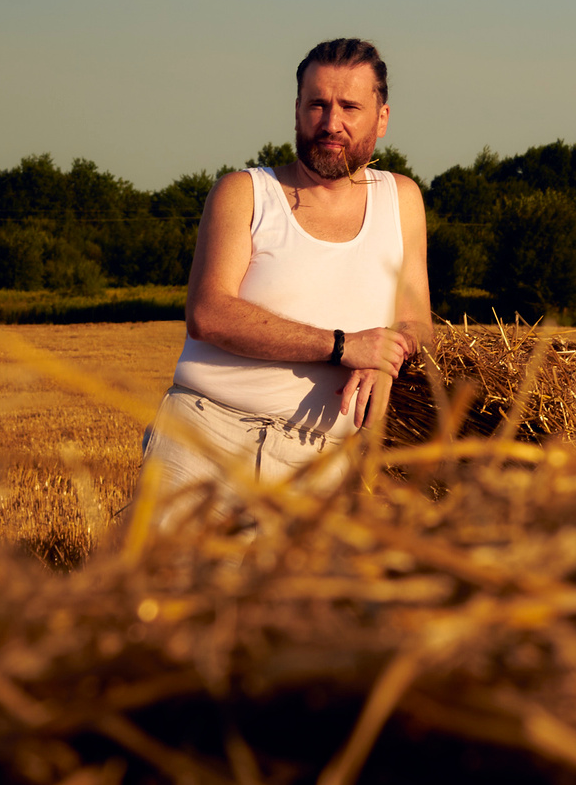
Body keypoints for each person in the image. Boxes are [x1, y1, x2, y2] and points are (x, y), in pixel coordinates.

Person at [137, 37, 431, 531]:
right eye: (317, 104)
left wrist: (391, 352)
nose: (330, 122)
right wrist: (343, 346)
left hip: (326, 465)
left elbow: (419, 320)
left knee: (295, 611)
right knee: (171, 605)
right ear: (296, 110)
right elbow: (208, 313)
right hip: (208, 442)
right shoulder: (245, 192)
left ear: (382, 118)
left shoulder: (401, 199)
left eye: (349, 107)